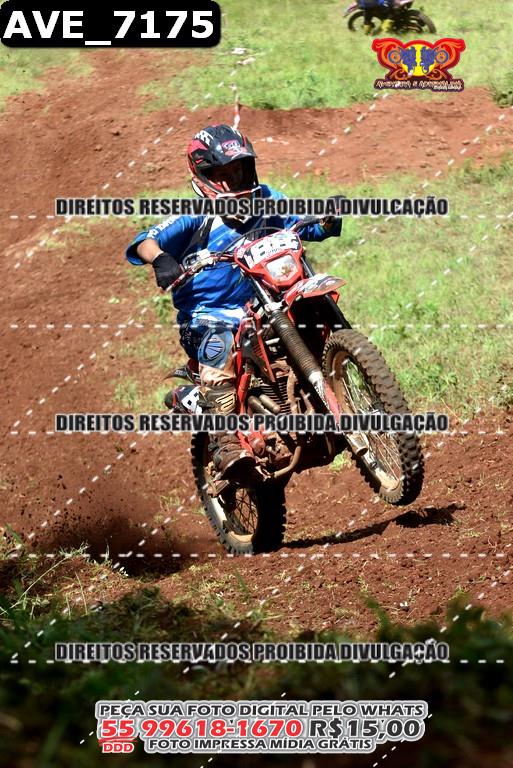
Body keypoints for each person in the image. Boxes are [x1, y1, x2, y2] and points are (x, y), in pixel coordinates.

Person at [126, 124, 341, 481]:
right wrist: (161, 259)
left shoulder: (267, 199)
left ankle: (349, 378)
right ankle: (226, 441)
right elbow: (145, 241)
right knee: (220, 341)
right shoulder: (193, 215)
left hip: (268, 301)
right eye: (222, 174)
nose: (233, 181)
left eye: (238, 170)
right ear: (204, 177)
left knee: (311, 301)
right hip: (210, 316)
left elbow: (305, 223)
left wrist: (327, 217)